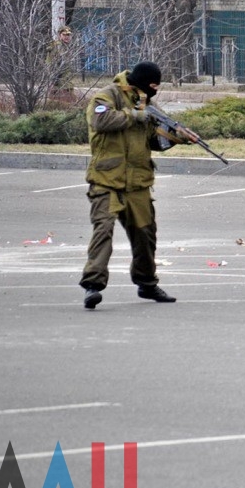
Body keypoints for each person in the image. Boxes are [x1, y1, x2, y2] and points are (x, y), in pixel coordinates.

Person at [79, 62, 197, 309]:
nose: (154, 90)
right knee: (103, 230)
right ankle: (93, 285)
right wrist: (133, 115)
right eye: (152, 85)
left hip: (138, 183)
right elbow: (100, 121)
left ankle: (146, 284)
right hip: (106, 180)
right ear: (141, 80)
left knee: (145, 234)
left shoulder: (147, 103)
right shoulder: (107, 95)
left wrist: (178, 137)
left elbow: (155, 142)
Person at [47, 25, 76, 91]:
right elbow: (53, 65)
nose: (67, 37)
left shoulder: (66, 46)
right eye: (64, 35)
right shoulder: (57, 46)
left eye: (68, 35)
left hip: (66, 82)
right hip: (59, 83)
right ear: (59, 35)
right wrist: (54, 81)